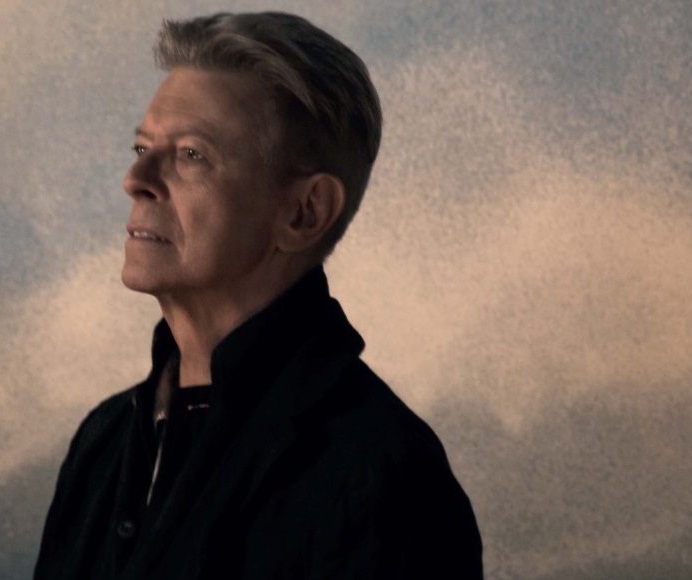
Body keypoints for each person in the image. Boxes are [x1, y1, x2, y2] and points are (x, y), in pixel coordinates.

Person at [34, 11, 482, 579]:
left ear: (304, 212)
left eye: (192, 155)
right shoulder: (102, 445)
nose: (136, 179)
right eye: (141, 147)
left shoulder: (380, 477)